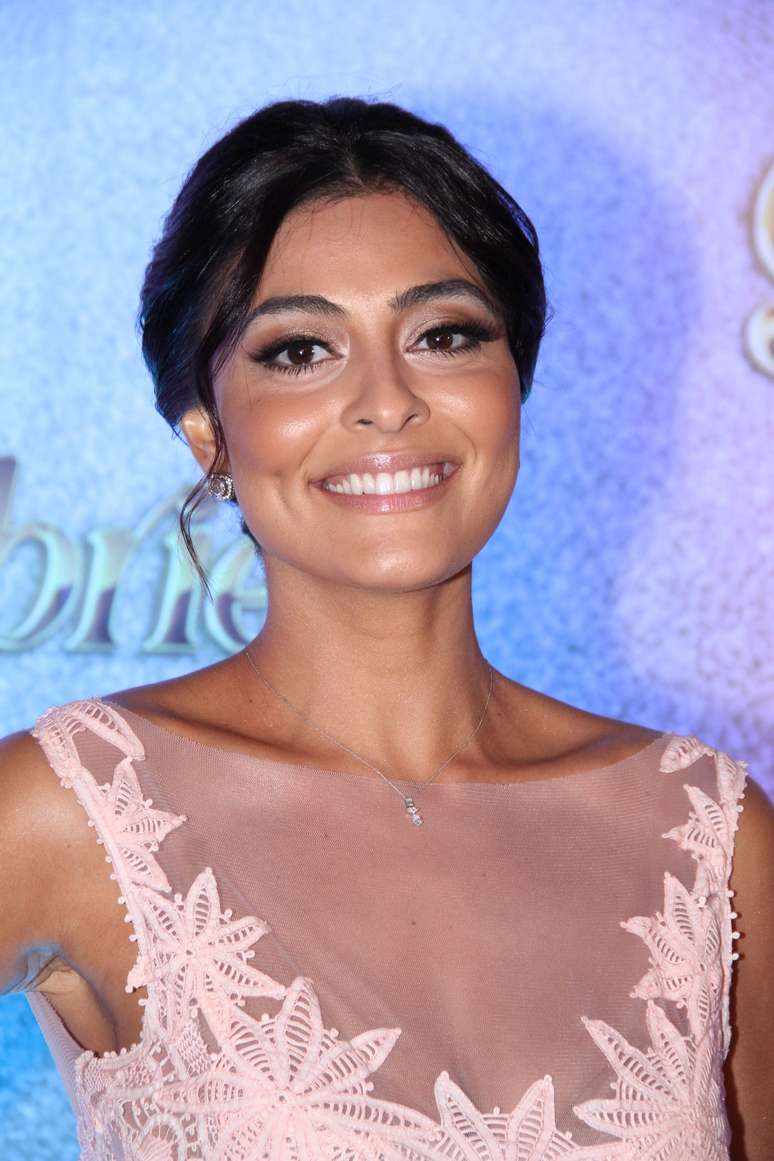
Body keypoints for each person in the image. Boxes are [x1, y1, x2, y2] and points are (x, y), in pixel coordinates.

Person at [0, 96, 771, 1161]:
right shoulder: (67, 809)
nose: (387, 399)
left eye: (443, 335)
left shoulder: (712, 838)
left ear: (513, 385)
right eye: (300, 350)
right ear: (207, 433)